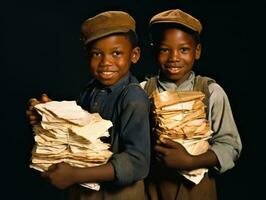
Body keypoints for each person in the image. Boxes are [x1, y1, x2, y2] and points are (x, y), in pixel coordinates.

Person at [26, 11, 150, 200]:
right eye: (97, 54)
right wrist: (49, 115)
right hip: (82, 190)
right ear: (86, 56)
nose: (106, 62)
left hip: (120, 195)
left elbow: (138, 162)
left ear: (134, 55)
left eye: (116, 53)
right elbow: (79, 128)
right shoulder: (90, 90)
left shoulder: (133, 98)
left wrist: (76, 175)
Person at [141, 9, 242, 200]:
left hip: (198, 190)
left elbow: (230, 145)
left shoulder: (211, 92)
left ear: (197, 51)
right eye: (164, 49)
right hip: (153, 187)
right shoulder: (142, 91)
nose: (174, 57)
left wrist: (191, 161)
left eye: (184, 49)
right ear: (154, 51)